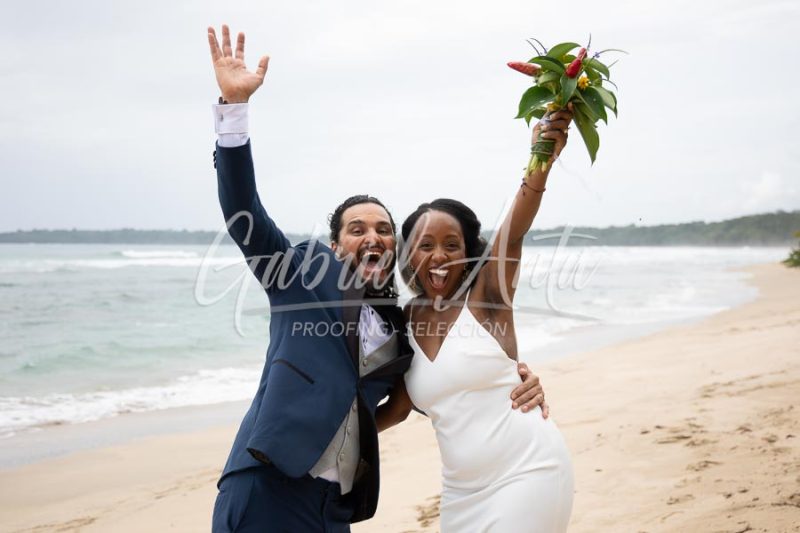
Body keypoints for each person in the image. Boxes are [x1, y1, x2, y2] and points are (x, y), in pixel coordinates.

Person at [206, 25, 549, 532]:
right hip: (268, 485)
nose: (374, 237)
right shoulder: (298, 275)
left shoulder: (401, 329)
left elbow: (436, 391)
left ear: (396, 248)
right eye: (357, 228)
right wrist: (233, 113)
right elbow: (243, 211)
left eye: (385, 229)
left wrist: (519, 382)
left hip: (337, 506)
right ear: (333, 246)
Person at [376, 106, 576, 531]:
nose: (439, 256)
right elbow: (396, 409)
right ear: (408, 253)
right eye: (425, 244)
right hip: (461, 494)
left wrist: (541, 159)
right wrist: (323, 438)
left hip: (529, 471)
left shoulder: (488, 297)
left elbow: (514, 228)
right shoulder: (403, 323)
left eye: (452, 244)